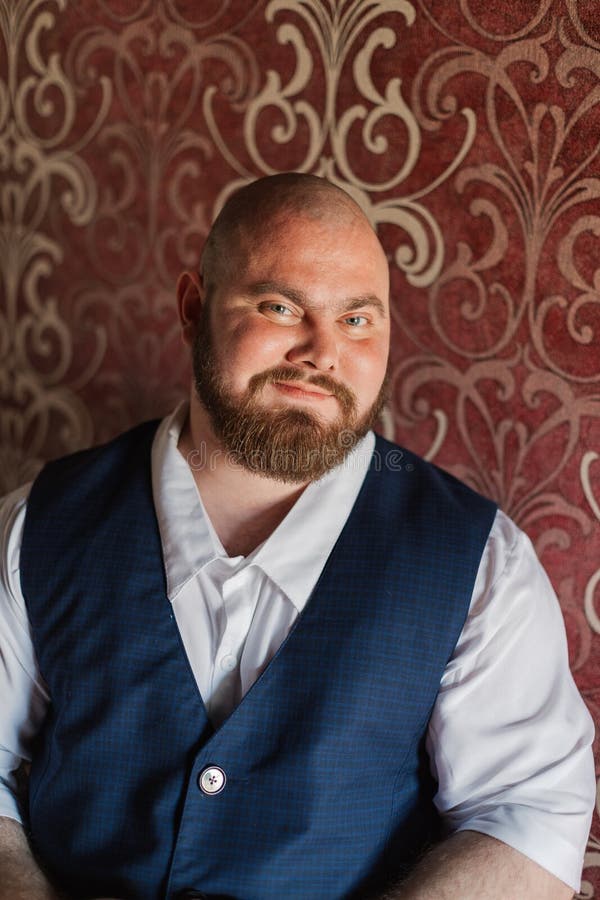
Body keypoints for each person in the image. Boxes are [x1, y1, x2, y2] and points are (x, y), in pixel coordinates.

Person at [0, 173, 594, 900]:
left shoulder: (478, 565)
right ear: (194, 309)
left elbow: (526, 819)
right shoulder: (39, 524)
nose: (322, 353)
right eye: (281, 306)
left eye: (357, 320)